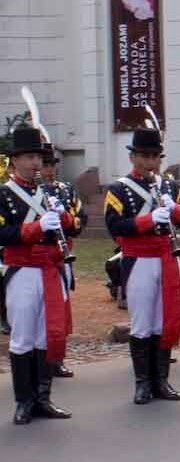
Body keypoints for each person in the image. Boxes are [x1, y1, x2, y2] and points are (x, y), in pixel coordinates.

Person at [104, 127, 180, 404]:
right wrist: (149, 219)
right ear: (133, 158)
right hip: (139, 260)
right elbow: (114, 226)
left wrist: (174, 210)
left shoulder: (169, 187)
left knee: (162, 322)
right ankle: (143, 383)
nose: (150, 162)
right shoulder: (119, 189)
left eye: (155, 156)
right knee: (142, 323)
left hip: (167, 259)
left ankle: (161, 381)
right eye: (144, 156)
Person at [1, 125, 74, 424]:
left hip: (51, 270)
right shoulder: (4, 194)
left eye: (39, 159)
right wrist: (35, 227)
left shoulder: (51, 192)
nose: (35, 164)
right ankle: (24, 401)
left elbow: (74, 228)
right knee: (23, 337)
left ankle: (43, 398)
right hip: (23, 271)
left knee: (46, 335)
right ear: (15, 160)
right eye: (29, 157)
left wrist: (64, 217)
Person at [39, 142, 86, 377]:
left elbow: (80, 222)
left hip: (61, 255)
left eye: (51, 164)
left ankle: (56, 359)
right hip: (35, 258)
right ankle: (38, 361)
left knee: (61, 309)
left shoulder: (66, 191)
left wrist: (65, 217)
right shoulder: (26, 191)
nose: (49, 170)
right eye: (45, 164)